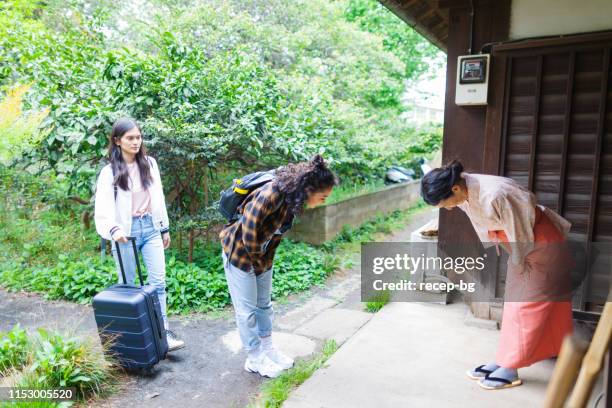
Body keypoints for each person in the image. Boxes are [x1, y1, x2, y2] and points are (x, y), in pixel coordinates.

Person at [421, 161, 573, 390]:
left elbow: (521, 229)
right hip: (523, 246)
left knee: (527, 305)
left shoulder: (495, 194)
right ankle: (505, 358)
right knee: (513, 302)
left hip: (539, 244)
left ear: (454, 189)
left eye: (445, 204)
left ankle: (510, 367)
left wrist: (518, 258)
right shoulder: (463, 189)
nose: (448, 208)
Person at [220, 154, 338, 378]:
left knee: (264, 305)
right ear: (310, 188)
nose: (323, 201)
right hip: (239, 253)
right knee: (247, 311)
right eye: (322, 197)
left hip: (260, 255)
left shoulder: (292, 199)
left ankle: (267, 349)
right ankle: (254, 358)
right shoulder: (270, 193)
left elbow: (274, 235)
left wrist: (265, 262)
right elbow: (249, 232)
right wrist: (258, 262)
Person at [94, 117, 184, 352]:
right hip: (126, 233)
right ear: (117, 141)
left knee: (159, 284)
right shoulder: (109, 172)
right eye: (130, 138)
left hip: (151, 228)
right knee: (128, 286)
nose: (136, 142)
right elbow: (103, 207)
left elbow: (159, 198)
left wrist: (164, 228)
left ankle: (163, 333)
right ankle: (135, 339)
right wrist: (114, 230)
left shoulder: (149, 164)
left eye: (138, 137)